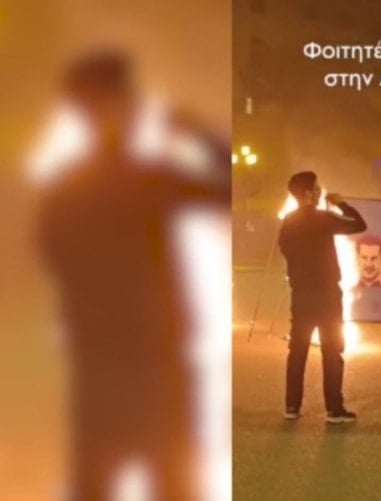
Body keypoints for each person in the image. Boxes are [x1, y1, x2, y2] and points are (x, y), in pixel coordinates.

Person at [36, 50, 230, 499]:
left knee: (106, 482)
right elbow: (227, 189)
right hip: (149, 358)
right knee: (167, 480)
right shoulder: (147, 180)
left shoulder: (67, 188)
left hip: (104, 358)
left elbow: (50, 255)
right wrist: (198, 134)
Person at [278, 171, 367, 423]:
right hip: (326, 294)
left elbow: (285, 251)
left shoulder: (287, 222)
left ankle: (292, 406)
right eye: (316, 188)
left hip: (301, 294)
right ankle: (334, 409)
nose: (319, 192)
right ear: (307, 193)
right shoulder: (323, 218)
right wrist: (341, 203)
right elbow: (359, 224)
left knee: (297, 351)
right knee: (332, 350)